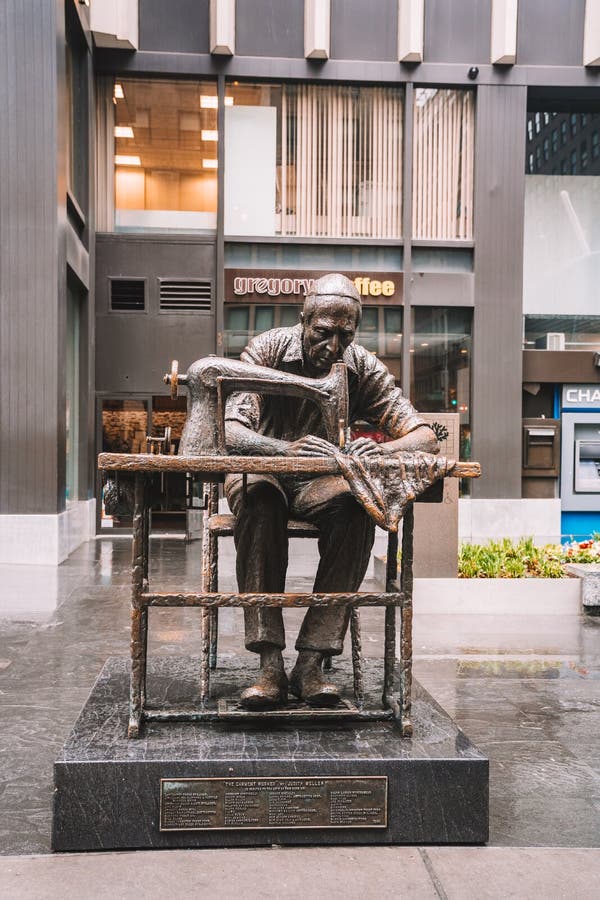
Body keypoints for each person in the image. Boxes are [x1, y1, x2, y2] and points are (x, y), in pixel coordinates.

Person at [224, 273, 437, 709]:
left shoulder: (358, 365)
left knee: (357, 507)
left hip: (318, 479)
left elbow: (424, 436)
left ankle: (312, 661)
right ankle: (268, 663)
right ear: (303, 319)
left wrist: (382, 450)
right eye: (324, 333)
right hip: (262, 467)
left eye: (346, 334)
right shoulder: (266, 350)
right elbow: (230, 429)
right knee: (259, 501)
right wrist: (283, 449)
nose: (334, 347)